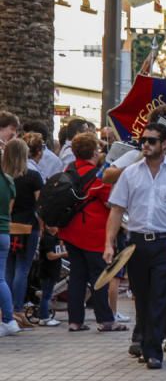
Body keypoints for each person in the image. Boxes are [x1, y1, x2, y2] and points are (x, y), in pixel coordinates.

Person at [104, 123, 166, 369]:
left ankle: (154, 351)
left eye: (152, 141)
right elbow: (116, 211)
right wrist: (109, 244)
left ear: (164, 144)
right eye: (144, 140)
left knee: (159, 297)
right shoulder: (130, 173)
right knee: (141, 297)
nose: (146, 144)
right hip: (136, 244)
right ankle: (145, 341)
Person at [57, 133, 121, 332]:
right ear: (94, 152)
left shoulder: (69, 169)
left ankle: (75, 321)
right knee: (99, 277)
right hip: (93, 233)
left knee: (77, 276)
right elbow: (110, 202)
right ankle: (105, 319)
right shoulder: (98, 175)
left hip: (69, 230)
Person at [2, 138, 43, 328]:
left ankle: (7, 310)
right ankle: (18, 309)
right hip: (28, 227)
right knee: (23, 269)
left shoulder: (4, 177)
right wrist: (44, 226)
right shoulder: (33, 177)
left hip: (8, 226)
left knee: (8, 270)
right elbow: (40, 205)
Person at [0, 148, 18, 337]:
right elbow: (9, 210)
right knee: (1, 277)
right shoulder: (8, 180)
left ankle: (8, 318)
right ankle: (8, 318)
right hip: (4, 231)